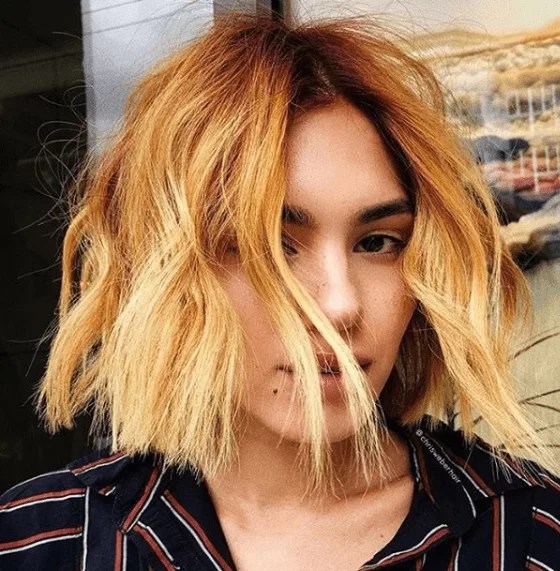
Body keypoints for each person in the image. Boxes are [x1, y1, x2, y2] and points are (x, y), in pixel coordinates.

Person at [1, 11, 559, 571]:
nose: (340, 304)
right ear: (169, 268)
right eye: (269, 246)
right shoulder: (40, 544)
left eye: (377, 243)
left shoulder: (531, 536)